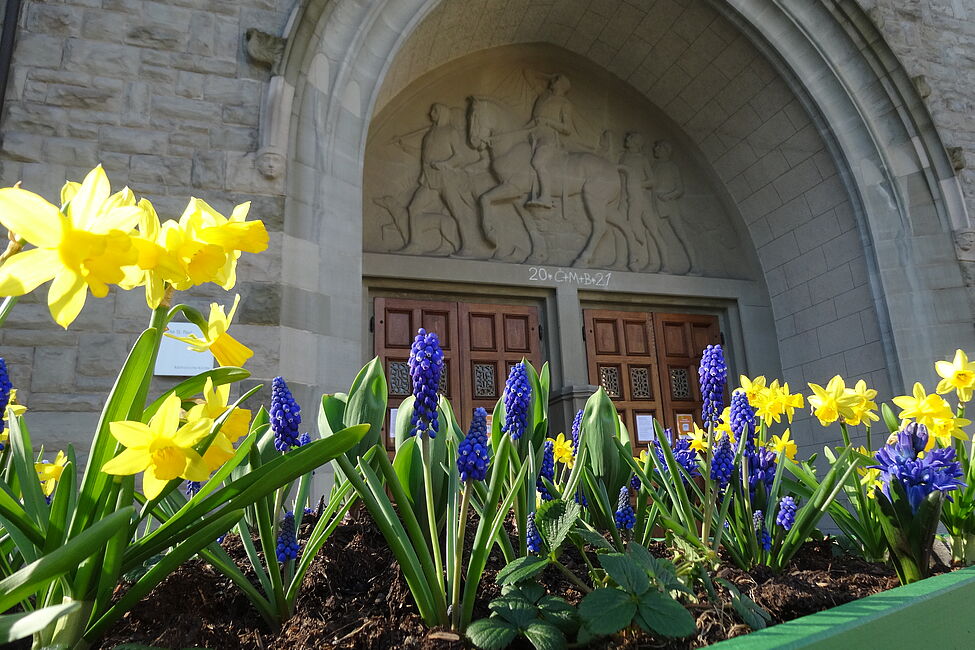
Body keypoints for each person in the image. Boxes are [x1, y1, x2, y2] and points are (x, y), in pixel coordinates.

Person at [526, 73, 574, 209]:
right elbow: (527, 72)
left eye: (556, 79)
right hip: (532, 136)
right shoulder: (542, 98)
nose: (552, 81)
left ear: (563, 86)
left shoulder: (565, 103)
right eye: (553, 79)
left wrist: (548, 122)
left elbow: (567, 128)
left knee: (538, 162)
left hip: (549, 138)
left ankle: (546, 197)